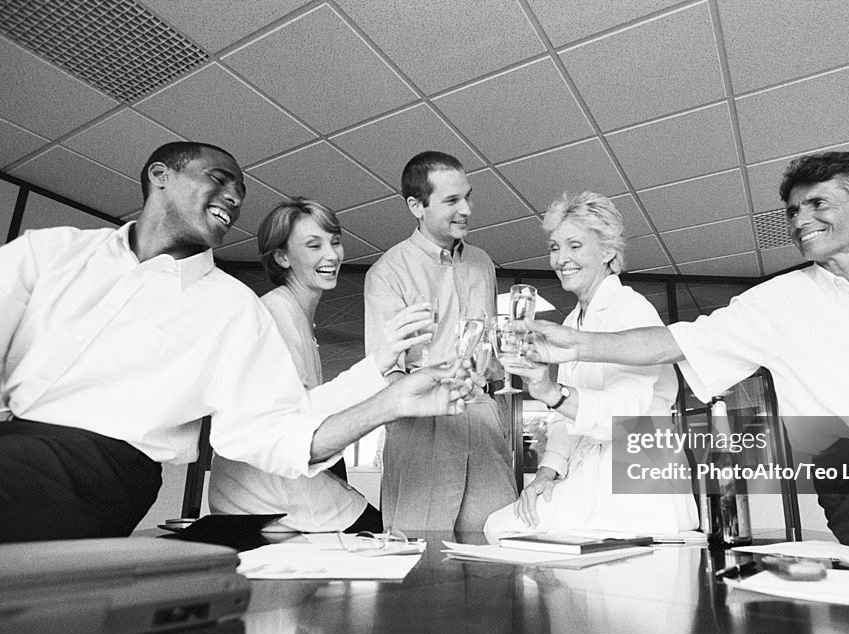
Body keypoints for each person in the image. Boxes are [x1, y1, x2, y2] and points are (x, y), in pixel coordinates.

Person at [525, 151, 849, 550]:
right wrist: (573, 343)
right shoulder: (776, 301)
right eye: (793, 210)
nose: (799, 220)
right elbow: (671, 344)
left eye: (818, 205)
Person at [0, 141, 470, 542]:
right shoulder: (51, 251)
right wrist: (378, 379)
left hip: (99, 467)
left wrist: (388, 397)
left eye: (240, 193)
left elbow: (274, 428)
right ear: (160, 176)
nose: (233, 199)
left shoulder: (236, 309)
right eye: (220, 180)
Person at [209, 198, 436, 533]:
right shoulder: (273, 314)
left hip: (278, 494)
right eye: (313, 245)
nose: (331, 255)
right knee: (385, 537)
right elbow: (291, 422)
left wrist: (383, 364)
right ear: (282, 256)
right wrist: (380, 364)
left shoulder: (296, 317)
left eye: (335, 242)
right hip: (264, 499)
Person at [484, 192, 697, 539]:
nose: (561, 259)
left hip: (637, 476)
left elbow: (625, 415)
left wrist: (552, 392)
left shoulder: (631, 308)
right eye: (554, 247)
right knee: (500, 527)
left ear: (609, 251)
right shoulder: (573, 320)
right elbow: (564, 420)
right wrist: (546, 473)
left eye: (575, 246)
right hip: (588, 475)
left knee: (622, 587)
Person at [364, 151, 517, 531]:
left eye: (467, 196)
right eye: (451, 200)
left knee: (499, 536)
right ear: (416, 206)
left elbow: (492, 355)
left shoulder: (482, 262)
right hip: (421, 420)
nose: (466, 208)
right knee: (419, 551)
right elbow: (386, 372)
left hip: (481, 415)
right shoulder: (388, 272)